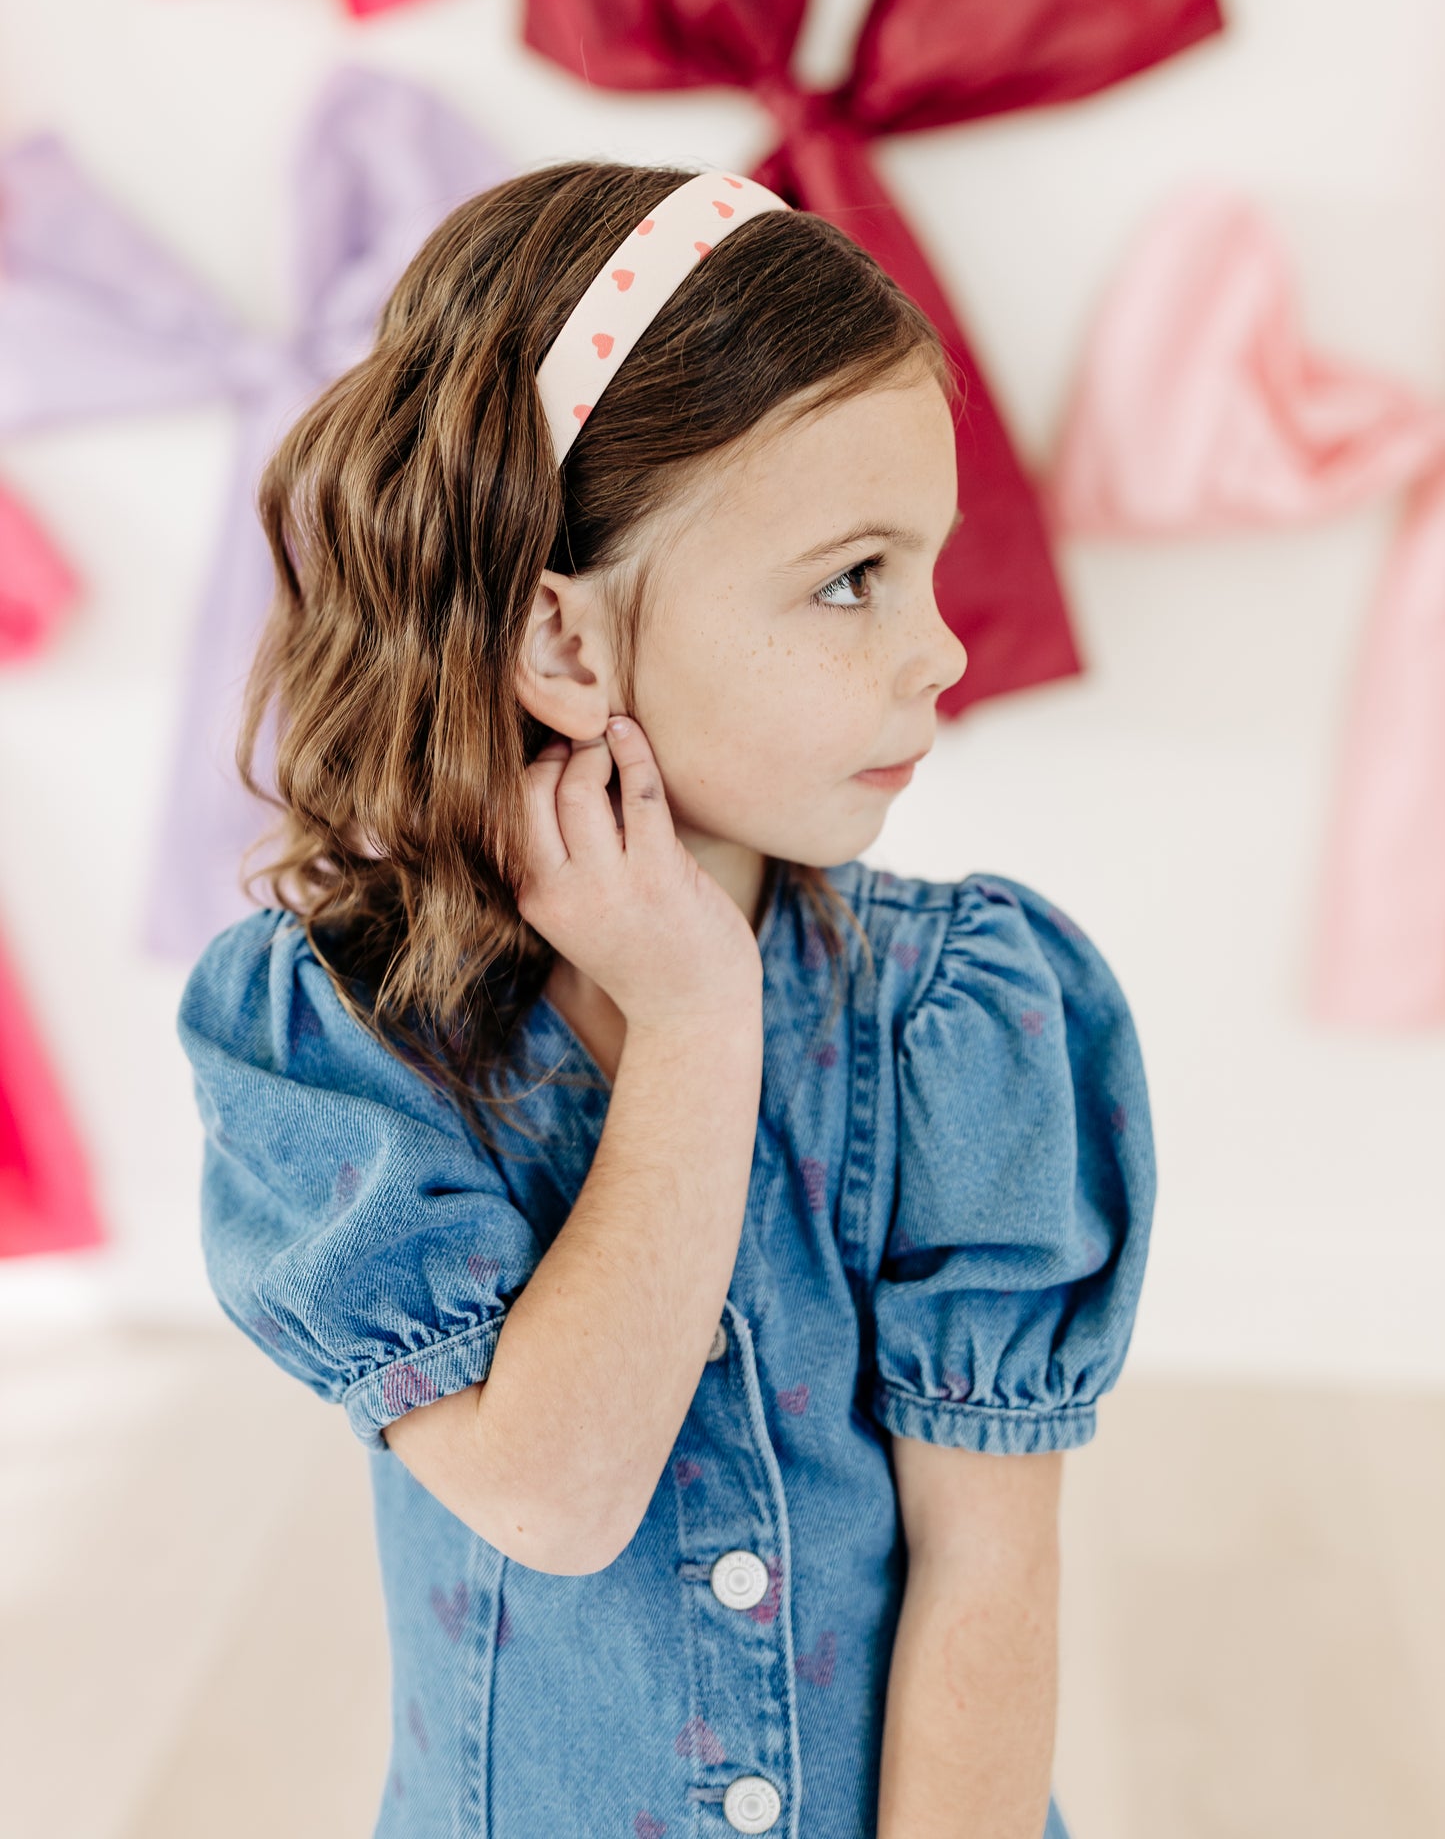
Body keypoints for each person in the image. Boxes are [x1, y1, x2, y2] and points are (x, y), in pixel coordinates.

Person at [177, 161, 1155, 1838]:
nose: (941, 651)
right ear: (562, 645)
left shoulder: (963, 1021)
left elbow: (987, 1577)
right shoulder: (340, 1038)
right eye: (852, 576)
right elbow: (555, 1493)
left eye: (931, 569)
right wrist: (699, 1026)